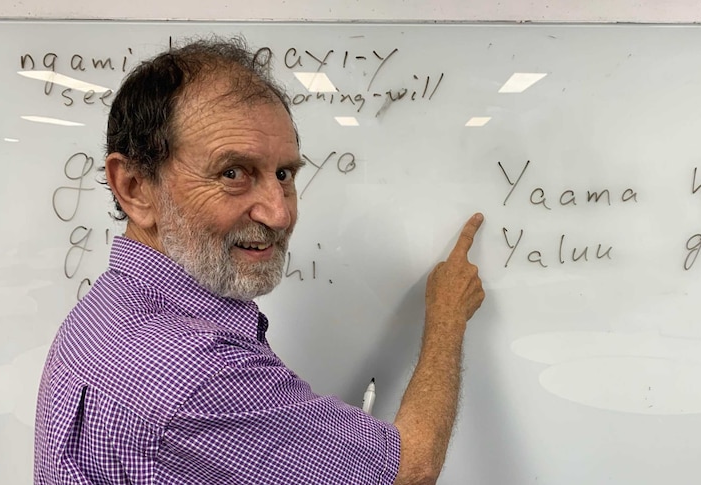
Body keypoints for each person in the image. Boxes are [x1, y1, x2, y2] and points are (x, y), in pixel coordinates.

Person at [34, 38, 485, 485]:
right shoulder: (200, 372)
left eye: (284, 174)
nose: (280, 213)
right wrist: (447, 317)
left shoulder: (109, 309)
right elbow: (411, 468)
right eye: (233, 173)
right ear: (134, 187)